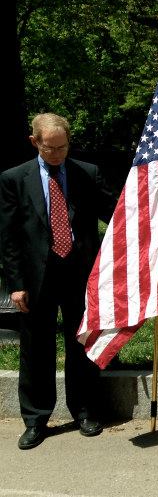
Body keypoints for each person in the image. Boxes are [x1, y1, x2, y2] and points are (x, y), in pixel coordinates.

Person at [0, 113, 114, 449]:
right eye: (51, 148)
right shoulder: (14, 178)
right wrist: (16, 283)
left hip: (80, 273)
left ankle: (85, 410)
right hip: (37, 276)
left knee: (81, 342)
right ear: (34, 142)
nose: (58, 154)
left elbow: (114, 212)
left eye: (63, 147)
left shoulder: (86, 173)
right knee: (36, 349)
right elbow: (8, 237)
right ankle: (36, 418)